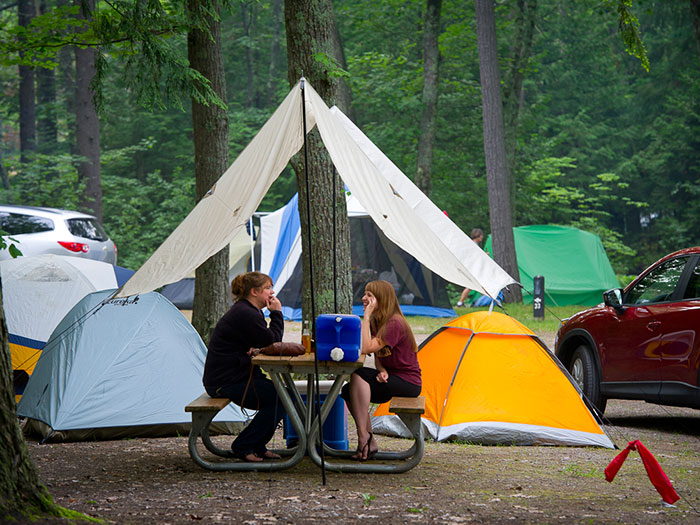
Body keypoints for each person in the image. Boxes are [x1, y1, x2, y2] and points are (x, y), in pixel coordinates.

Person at [203, 271, 285, 463]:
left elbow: (261, 341)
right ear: (255, 292)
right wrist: (277, 313)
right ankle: (244, 445)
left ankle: (257, 445)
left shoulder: (248, 311)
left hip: (235, 377)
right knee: (282, 398)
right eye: (267, 288)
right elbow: (272, 340)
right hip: (225, 382)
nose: (271, 292)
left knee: (281, 397)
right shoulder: (245, 313)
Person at [341, 280, 422, 461]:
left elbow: (366, 348)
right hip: (391, 377)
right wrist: (382, 369)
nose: (364, 298)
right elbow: (378, 355)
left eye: (369, 295)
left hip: (408, 382)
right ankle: (369, 440)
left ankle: (364, 436)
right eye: (365, 294)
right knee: (347, 390)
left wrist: (366, 317)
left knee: (359, 375)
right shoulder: (380, 321)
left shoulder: (394, 323)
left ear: (382, 299)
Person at [456, 227, 484, 307]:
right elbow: (475, 257)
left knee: (479, 285)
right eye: (481, 235)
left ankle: (487, 300)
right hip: (472, 269)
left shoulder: (471, 244)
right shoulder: (473, 245)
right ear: (478, 235)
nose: (482, 237)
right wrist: (484, 255)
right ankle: (460, 303)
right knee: (471, 286)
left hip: (471, 268)